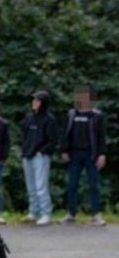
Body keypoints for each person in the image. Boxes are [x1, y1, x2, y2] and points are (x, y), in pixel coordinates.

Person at [61, 86, 108, 226]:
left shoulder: (97, 115)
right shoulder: (71, 114)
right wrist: (64, 150)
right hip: (74, 154)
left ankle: (96, 214)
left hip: (91, 154)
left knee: (93, 185)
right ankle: (71, 214)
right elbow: (66, 133)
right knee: (72, 185)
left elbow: (101, 137)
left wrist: (102, 155)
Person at [20, 90, 58, 226]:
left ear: (43, 103)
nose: (34, 102)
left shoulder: (49, 119)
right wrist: (24, 150)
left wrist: (41, 152)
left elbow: (53, 140)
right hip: (28, 155)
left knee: (41, 186)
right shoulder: (29, 118)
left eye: (37, 100)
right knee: (31, 186)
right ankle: (33, 212)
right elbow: (24, 135)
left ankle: (46, 213)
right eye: (33, 100)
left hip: (41, 157)